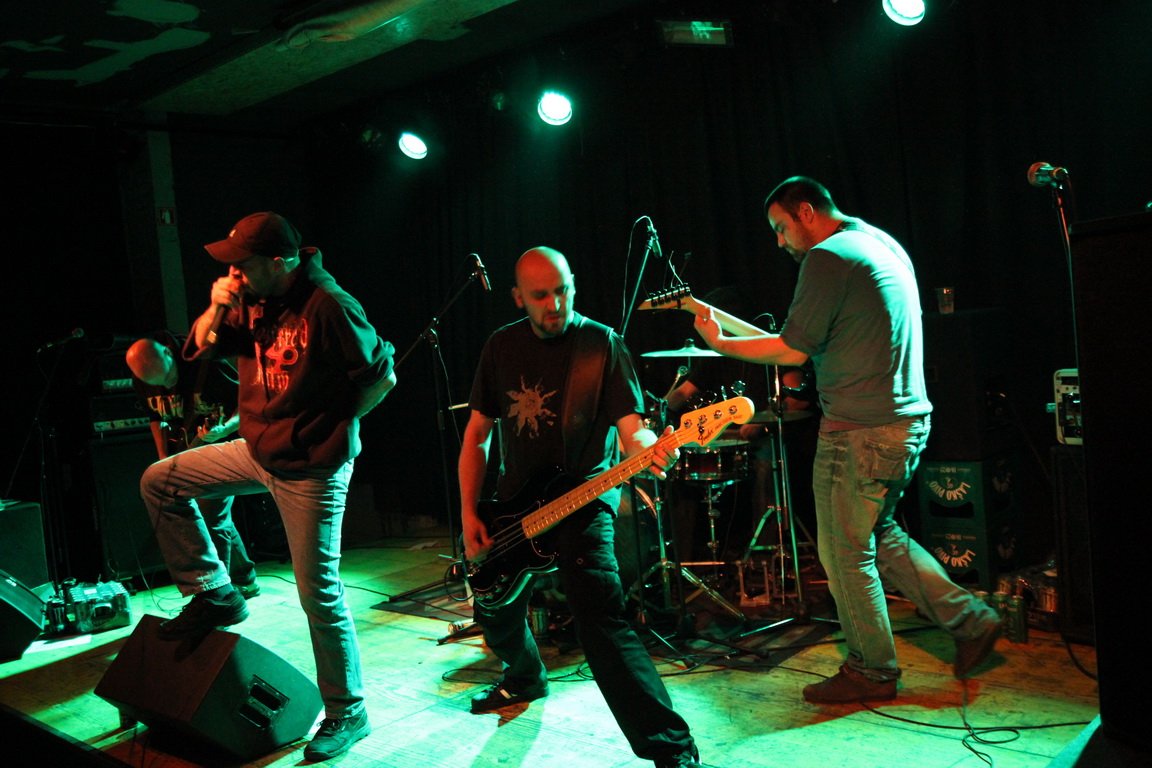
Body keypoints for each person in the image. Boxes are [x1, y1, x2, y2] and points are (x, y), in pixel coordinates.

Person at [692, 177, 1001, 704]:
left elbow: (792, 352)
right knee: (881, 537)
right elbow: (814, 340)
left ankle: (871, 671)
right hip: (906, 424)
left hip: (860, 433)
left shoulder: (826, 258)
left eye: (781, 228)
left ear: (806, 212)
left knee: (843, 556)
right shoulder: (878, 242)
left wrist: (719, 343)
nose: (779, 242)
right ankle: (972, 621)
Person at [139, 211, 397, 760]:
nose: (234, 272)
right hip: (257, 452)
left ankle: (348, 710)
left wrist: (331, 427)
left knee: (318, 593)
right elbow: (199, 347)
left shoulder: (329, 305)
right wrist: (217, 305)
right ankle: (215, 591)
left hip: (313, 469)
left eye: (244, 263)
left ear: (279, 262)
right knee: (161, 481)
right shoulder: (251, 299)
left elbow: (382, 377)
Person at [458, 246, 702, 768]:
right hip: (516, 505)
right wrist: (469, 512)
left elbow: (632, 429)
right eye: (541, 295)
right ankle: (524, 676)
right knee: (492, 600)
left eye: (562, 290)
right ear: (518, 298)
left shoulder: (601, 345)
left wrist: (651, 448)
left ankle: (672, 750)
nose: (555, 304)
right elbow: (478, 433)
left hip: (586, 500)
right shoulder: (501, 346)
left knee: (600, 617)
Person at [125, 332, 260, 598]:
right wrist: (164, 459)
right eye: (156, 383)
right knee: (216, 518)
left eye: (167, 377)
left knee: (212, 518)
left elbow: (247, 404)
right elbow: (156, 417)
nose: (166, 386)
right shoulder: (142, 379)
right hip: (186, 450)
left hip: (221, 447)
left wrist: (224, 429)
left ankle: (219, 592)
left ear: (168, 353)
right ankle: (245, 578)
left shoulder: (206, 365)